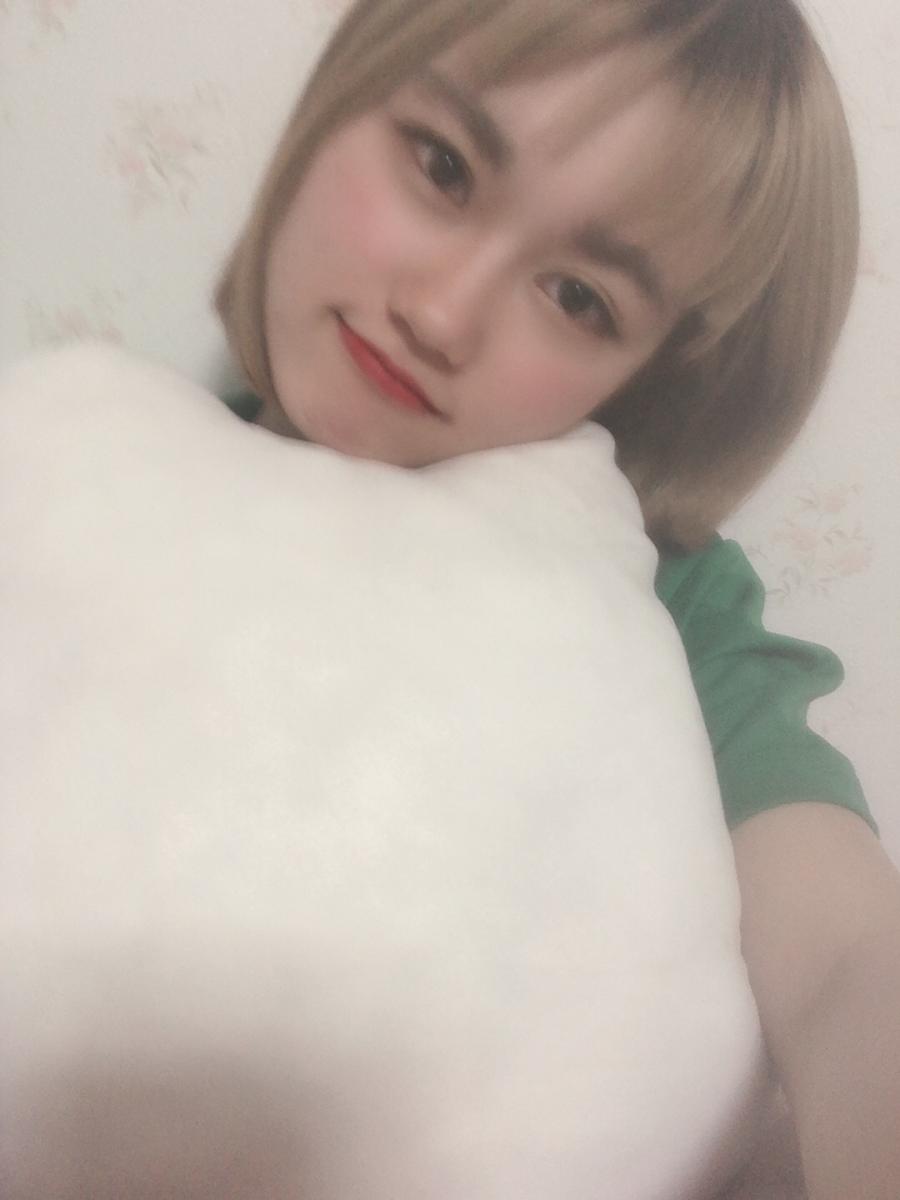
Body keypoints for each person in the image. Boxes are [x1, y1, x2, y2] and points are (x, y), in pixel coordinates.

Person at [215, 1, 900, 1195]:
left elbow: (844, 955)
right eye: (443, 167)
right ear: (343, 94)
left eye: (580, 298)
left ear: (646, 375)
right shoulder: (79, 471)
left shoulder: (660, 604)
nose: (440, 315)